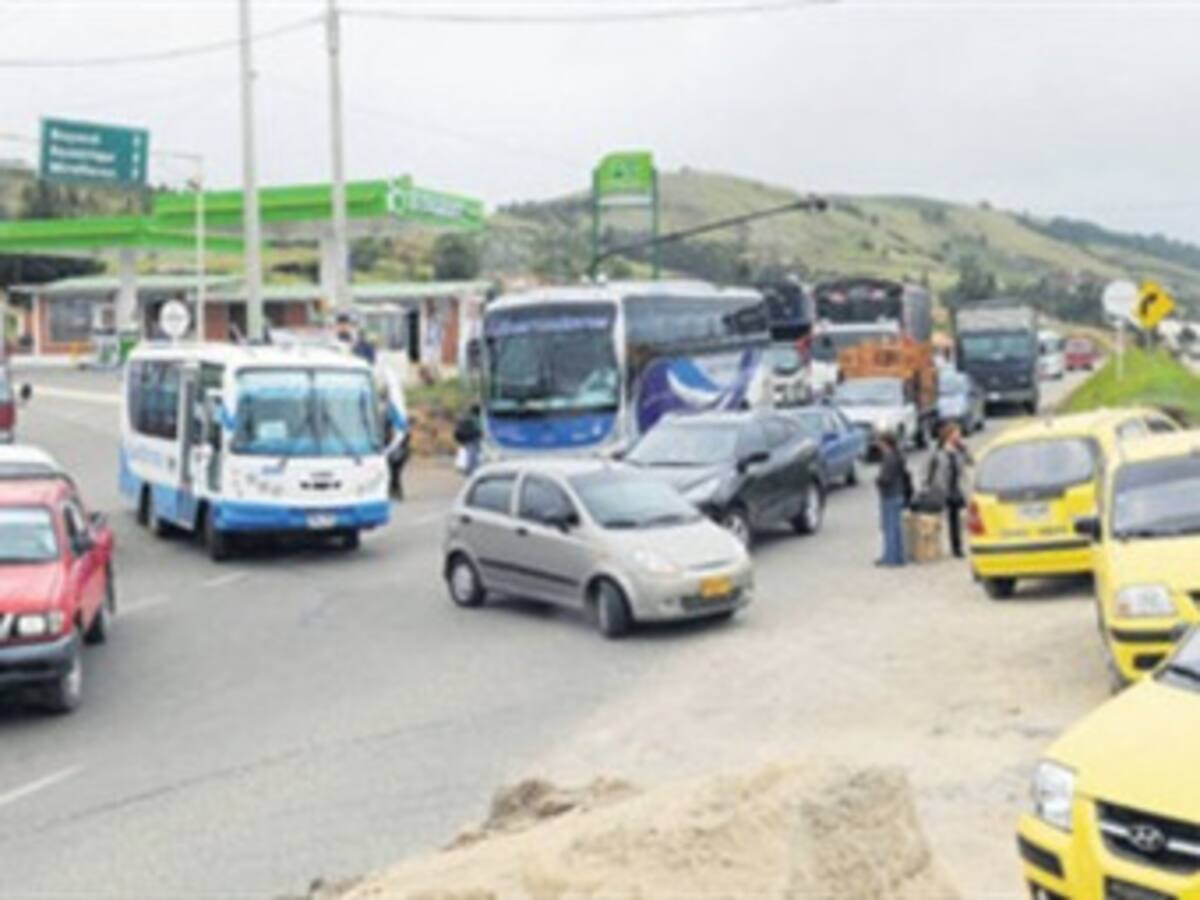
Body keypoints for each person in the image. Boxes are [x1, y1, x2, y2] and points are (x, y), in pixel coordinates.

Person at [926, 422, 973, 558]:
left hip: (957, 487)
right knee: (946, 519)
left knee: (959, 519)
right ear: (949, 435)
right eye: (956, 433)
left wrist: (964, 449)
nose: (959, 436)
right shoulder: (938, 451)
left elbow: (971, 461)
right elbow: (928, 468)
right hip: (943, 488)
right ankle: (945, 546)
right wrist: (927, 485)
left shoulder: (960, 450)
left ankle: (958, 547)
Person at [874, 430, 910, 567]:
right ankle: (899, 556)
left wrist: (878, 481)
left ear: (885, 443)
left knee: (889, 527)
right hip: (899, 492)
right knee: (897, 527)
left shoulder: (888, 457)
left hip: (890, 494)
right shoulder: (898, 455)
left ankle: (890, 557)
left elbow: (886, 477)